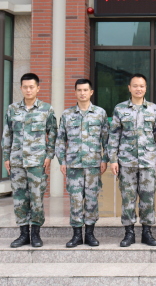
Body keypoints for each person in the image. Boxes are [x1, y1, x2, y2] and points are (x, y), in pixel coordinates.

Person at [2, 73, 57, 248]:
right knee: (19, 199)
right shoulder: (12, 109)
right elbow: (7, 134)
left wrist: (49, 156)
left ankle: (36, 234)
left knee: (36, 198)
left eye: (31, 87)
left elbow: (53, 134)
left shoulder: (46, 109)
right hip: (17, 161)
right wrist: (6, 157)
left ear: (38, 88)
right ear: (21, 88)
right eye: (25, 87)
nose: (28, 90)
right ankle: (23, 234)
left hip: (37, 162)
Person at [108, 73, 156, 247]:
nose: (138, 89)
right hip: (126, 162)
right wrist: (113, 159)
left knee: (148, 198)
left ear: (145, 88)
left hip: (148, 161)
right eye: (135, 86)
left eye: (142, 86)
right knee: (128, 198)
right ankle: (129, 233)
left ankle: (147, 232)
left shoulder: (153, 109)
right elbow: (114, 135)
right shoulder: (120, 109)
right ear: (129, 88)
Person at [55, 79, 109, 248]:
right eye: (79, 90)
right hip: (74, 166)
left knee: (92, 200)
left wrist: (105, 159)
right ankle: (77, 235)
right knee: (76, 200)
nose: (82, 93)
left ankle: (90, 234)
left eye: (85, 90)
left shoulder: (100, 113)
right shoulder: (67, 114)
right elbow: (60, 139)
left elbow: (107, 139)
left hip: (93, 165)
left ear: (91, 92)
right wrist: (62, 161)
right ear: (75, 92)